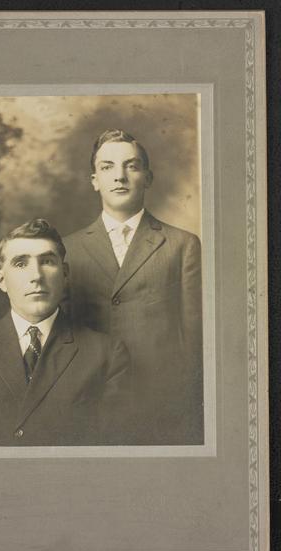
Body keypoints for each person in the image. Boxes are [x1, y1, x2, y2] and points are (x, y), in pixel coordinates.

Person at [64, 129, 203, 445]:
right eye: (107, 167)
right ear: (94, 180)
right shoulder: (67, 249)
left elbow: (194, 339)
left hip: (161, 404)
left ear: (148, 178)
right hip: (90, 400)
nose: (120, 176)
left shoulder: (182, 245)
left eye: (132, 166)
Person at [0, 218, 129, 446]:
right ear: (1, 280)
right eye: (21, 264)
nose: (36, 276)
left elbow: (111, 449)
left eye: (47, 261)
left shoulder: (107, 355)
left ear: (65, 273)